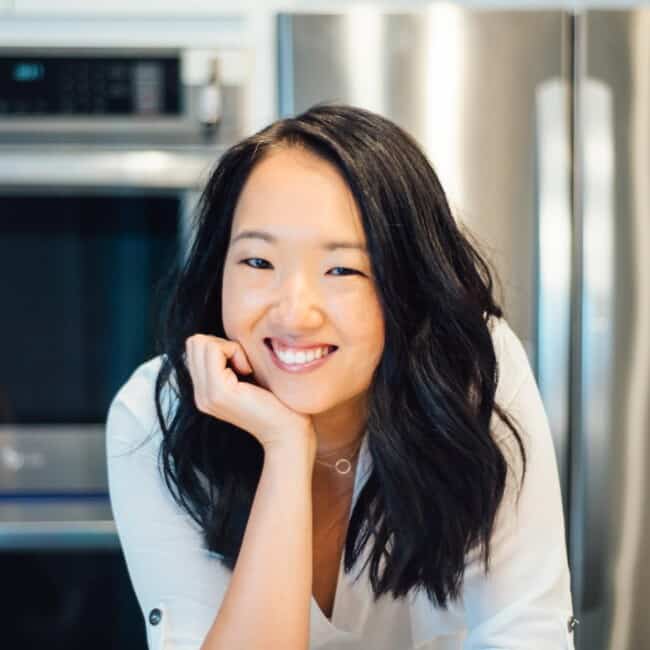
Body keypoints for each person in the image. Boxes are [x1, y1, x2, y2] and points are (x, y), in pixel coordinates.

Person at [106, 103, 576, 650]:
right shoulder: (156, 415)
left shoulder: (472, 369)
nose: (294, 314)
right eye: (258, 262)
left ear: (408, 284)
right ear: (218, 271)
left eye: (343, 269)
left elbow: (524, 630)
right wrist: (285, 448)